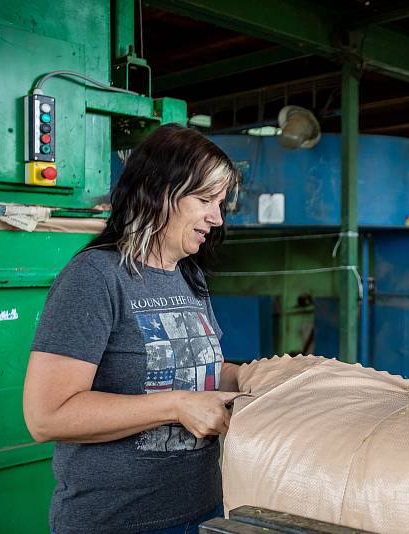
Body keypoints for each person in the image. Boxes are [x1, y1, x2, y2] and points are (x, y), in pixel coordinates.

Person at [23, 124, 244, 534]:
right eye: (205, 199)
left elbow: (193, 371)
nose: (216, 217)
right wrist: (175, 406)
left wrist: (248, 376)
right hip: (117, 522)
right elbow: (46, 415)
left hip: (201, 512)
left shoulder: (187, 276)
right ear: (159, 191)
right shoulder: (95, 276)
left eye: (221, 203)